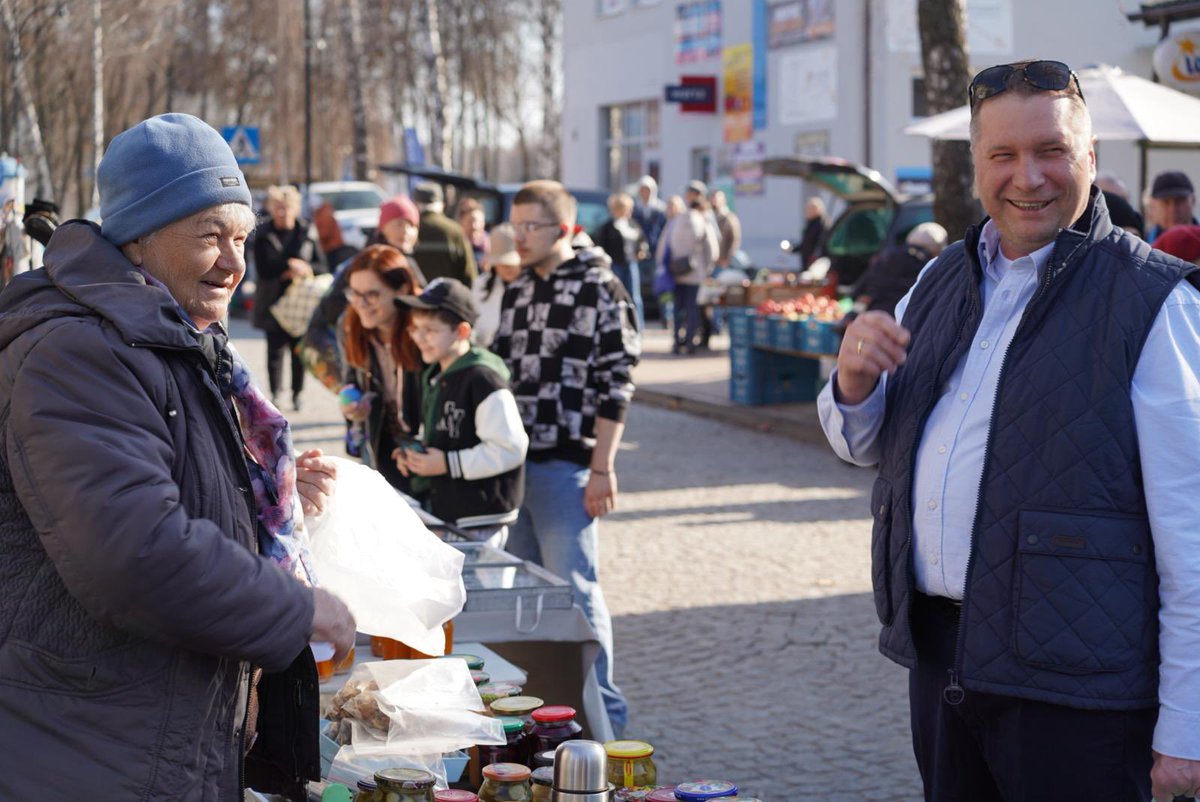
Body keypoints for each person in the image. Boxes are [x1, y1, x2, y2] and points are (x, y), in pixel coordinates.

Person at [818, 60, 1200, 801]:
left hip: (1078, 690)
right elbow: (864, 446)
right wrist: (854, 386)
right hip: (942, 663)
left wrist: (1186, 727)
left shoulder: (1155, 303)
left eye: (1052, 150)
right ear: (976, 165)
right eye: (1004, 155)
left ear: (1090, 157)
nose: (1029, 176)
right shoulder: (938, 282)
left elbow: (1193, 536)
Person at [0, 113, 356, 800]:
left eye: (243, 238)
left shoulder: (171, 337)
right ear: (137, 238)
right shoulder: (76, 351)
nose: (235, 261)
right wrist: (295, 608)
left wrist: (265, 496)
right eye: (210, 237)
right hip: (83, 749)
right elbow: (133, 553)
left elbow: (179, 492)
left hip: (152, 730)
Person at [493, 180, 640, 737]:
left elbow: (616, 384)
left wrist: (602, 467)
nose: (520, 237)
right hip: (517, 467)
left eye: (531, 226)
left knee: (576, 590)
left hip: (569, 464)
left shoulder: (601, 287)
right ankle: (550, 719)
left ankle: (608, 723)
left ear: (565, 228)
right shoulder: (520, 288)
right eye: (516, 226)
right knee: (529, 595)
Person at [397, 278, 528, 547]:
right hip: (451, 513)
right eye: (415, 329)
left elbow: (511, 448)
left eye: (430, 330)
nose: (419, 338)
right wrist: (415, 454)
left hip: (481, 517)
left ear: (462, 331)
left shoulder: (483, 380)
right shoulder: (437, 374)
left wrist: (448, 463)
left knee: (481, 589)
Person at [338, 244, 425, 493]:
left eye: (372, 294)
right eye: (354, 293)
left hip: (424, 449)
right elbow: (349, 378)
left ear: (402, 289)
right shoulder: (350, 324)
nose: (361, 303)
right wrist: (349, 402)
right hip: (378, 440)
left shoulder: (425, 328)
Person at [253, 184, 327, 410]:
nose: (282, 212)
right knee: (274, 352)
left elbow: (321, 265)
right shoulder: (263, 233)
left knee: (298, 353)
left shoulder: (306, 232)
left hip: (301, 303)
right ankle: (276, 393)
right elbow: (263, 269)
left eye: (286, 208)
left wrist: (303, 268)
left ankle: (297, 394)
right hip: (273, 301)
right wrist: (288, 265)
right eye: (277, 208)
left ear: (295, 209)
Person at [849, 221, 948, 317]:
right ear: (938, 250)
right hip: (907, 328)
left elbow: (857, 293)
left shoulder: (885, 259)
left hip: (874, 323)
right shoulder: (932, 270)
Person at [663, 193, 718, 354]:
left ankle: (675, 341)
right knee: (692, 308)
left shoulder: (676, 221)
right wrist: (706, 268)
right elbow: (713, 249)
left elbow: (665, 245)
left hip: (677, 271)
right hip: (695, 273)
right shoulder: (703, 221)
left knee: (677, 308)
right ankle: (689, 342)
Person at [596, 192, 648, 329]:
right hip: (615, 265)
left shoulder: (633, 225)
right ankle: (618, 325)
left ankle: (638, 326)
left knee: (635, 297)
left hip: (631, 264)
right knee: (616, 296)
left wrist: (642, 251)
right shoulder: (608, 227)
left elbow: (642, 241)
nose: (630, 211)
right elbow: (601, 247)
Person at [412, 181, 477, 286]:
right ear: (442, 204)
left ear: (415, 204)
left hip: (414, 299)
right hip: (449, 299)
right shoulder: (454, 230)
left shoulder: (409, 230)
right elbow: (469, 275)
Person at [472, 222, 522, 348]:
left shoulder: (531, 287)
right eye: (501, 263)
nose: (507, 268)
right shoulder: (481, 286)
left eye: (511, 264)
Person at [1146, 169, 1197, 242]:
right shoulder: (1140, 246)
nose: (1173, 209)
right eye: (1165, 202)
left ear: (1193, 201)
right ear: (1153, 205)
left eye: (1179, 201)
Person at [794, 197, 828, 267]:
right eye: (807, 209)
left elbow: (821, 244)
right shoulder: (810, 224)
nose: (808, 212)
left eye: (811, 209)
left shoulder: (822, 224)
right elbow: (806, 243)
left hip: (815, 262)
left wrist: (815, 256)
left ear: (818, 210)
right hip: (807, 260)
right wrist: (794, 249)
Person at [457, 196, 490, 266]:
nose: (475, 226)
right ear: (461, 222)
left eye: (480, 222)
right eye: (471, 221)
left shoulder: (490, 245)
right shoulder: (456, 245)